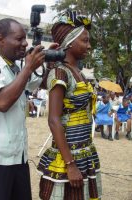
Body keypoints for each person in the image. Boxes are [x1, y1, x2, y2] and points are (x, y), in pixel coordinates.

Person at [0, 18, 57, 200]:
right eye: (19, 39)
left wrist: (48, 62)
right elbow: (2, 102)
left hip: (19, 158)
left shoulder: (17, 66)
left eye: (25, 39)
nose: (25, 43)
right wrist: (28, 67)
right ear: (1, 39)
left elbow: (41, 83)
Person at [37, 10, 102, 200]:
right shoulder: (60, 73)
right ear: (69, 43)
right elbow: (54, 120)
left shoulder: (78, 72)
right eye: (85, 41)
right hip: (69, 155)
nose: (89, 46)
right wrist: (70, 164)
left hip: (84, 151)